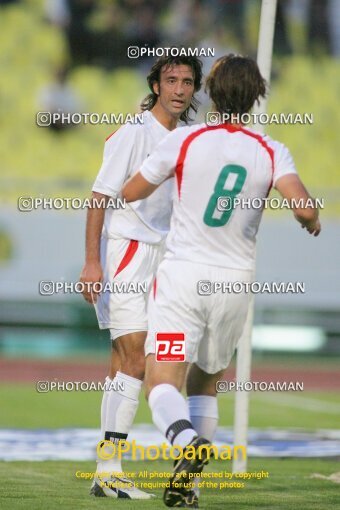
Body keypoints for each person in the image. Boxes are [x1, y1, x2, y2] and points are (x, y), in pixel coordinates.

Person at [122, 54, 321, 508]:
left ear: (209, 92)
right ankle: (188, 487)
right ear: (257, 97)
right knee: (207, 384)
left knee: (161, 384)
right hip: (234, 282)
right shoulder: (271, 150)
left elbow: (132, 191)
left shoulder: (187, 140)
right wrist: (310, 221)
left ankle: (184, 440)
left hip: (184, 276)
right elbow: (305, 208)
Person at [79, 53, 203, 499]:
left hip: (167, 258)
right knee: (134, 359)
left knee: (132, 364)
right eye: (171, 80)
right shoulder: (134, 132)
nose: (179, 89)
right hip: (129, 251)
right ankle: (110, 468)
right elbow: (99, 197)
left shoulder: (190, 137)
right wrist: (92, 262)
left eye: (187, 82)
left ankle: (107, 469)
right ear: (156, 86)